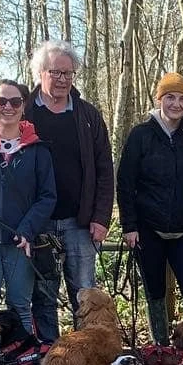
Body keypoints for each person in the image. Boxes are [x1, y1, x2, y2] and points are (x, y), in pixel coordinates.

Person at [116, 72, 183, 365]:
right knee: (155, 290)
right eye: (169, 97)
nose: (176, 103)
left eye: (182, 98)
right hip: (148, 229)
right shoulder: (141, 135)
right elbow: (126, 183)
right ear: (159, 100)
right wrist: (129, 225)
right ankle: (161, 350)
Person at [24, 41, 115, 340]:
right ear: (40, 72)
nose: (62, 79)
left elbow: (104, 168)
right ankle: (51, 357)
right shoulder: (23, 112)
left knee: (85, 295)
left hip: (81, 222)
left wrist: (101, 217)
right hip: (39, 222)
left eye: (68, 73)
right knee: (43, 294)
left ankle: (87, 360)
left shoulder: (87, 116)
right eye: (55, 72)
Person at [0, 80, 57, 364]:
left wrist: (27, 230)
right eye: (1, 101)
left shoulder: (38, 151)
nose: (8, 107)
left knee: (21, 307)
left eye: (15, 102)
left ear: (23, 106)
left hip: (21, 245)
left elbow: (47, 196)